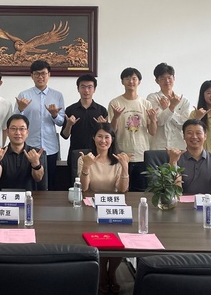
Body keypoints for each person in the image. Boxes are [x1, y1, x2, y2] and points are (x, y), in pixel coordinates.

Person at [77, 123, 130, 294]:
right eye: (99, 136)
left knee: (117, 239)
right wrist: (86, 166)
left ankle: (112, 273)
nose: (103, 140)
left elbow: (122, 190)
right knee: (99, 240)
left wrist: (125, 167)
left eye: (107, 137)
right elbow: (84, 189)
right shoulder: (85, 158)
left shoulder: (118, 159)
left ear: (112, 139)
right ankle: (101, 275)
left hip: (113, 206)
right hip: (90, 207)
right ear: (94, 138)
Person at [15, 60, 64, 190]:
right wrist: (20, 109)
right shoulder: (24, 95)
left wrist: (54, 115)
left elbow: (61, 122)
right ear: (32, 76)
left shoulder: (57, 95)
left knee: (50, 183)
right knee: (29, 183)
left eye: (43, 73)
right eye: (37, 74)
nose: (40, 77)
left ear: (49, 75)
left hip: (50, 148)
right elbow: (16, 121)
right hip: (30, 147)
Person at [108, 67, 157, 191]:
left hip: (142, 154)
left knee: (141, 192)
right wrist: (116, 116)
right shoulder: (115, 103)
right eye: (127, 78)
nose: (131, 81)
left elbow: (152, 132)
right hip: (121, 154)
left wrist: (153, 119)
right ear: (122, 81)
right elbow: (111, 131)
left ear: (139, 82)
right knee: (122, 190)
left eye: (134, 79)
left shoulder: (146, 104)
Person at [61, 74, 108, 179]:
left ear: (94, 89)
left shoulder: (101, 110)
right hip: (75, 153)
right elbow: (65, 135)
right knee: (75, 182)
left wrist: (103, 125)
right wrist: (69, 125)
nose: (86, 90)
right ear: (78, 89)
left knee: (96, 181)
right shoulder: (70, 110)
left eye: (89, 87)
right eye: (83, 87)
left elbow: (107, 135)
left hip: (96, 153)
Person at [166, 119, 211, 194]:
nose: (194, 136)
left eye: (198, 133)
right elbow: (176, 192)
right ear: (184, 136)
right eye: (189, 133)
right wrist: (173, 163)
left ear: (205, 136)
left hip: (208, 200)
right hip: (184, 201)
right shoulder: (176, 158)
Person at [0, 114, 46, 191]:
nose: (18, 132)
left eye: (22, 129)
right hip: (4, 196)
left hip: (29, 196)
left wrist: (36, 164)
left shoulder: (36, 153)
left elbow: (38, 178)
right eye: (13, 128)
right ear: (7, 132)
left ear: (27, 132)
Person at [147, 63, 191, 150]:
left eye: (169, 78)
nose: (167, 81)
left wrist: (168, 108)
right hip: (159, 147)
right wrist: (171, 107)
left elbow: (184, 125)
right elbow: (159, 122)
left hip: (179, 146)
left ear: (174, 78)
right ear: (157, 81)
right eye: (162, 78)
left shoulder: (183, 101)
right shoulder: (153, 98)